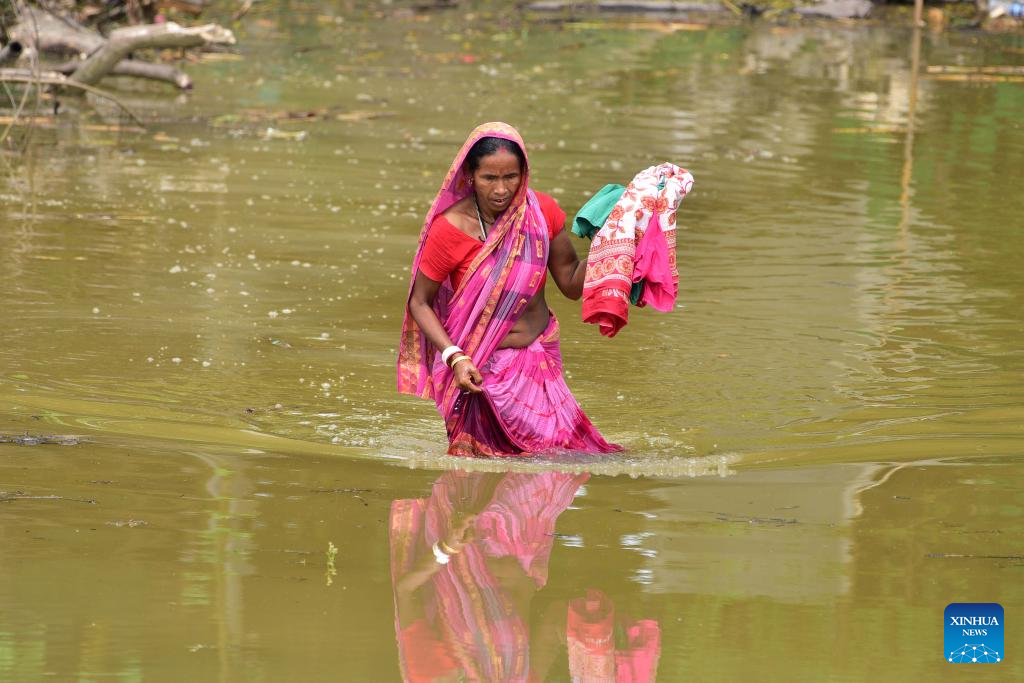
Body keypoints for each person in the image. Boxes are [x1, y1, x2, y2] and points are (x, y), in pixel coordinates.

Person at [397, 122, 621, 457]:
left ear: (524, 173)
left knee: (562, 457)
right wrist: (454, 357)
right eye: (489, 178)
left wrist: (609, 238)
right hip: (479, 369)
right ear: (470, 176)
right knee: (492, 468)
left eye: (510, 177)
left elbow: (572, 283)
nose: (501, 189)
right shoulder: (449, 229)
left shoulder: (541, 213)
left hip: (539, 359)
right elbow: (420, 303)